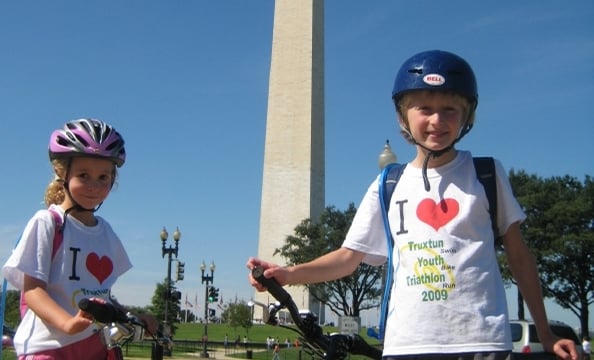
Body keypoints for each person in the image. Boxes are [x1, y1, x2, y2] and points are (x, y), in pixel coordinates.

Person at [247, 50, 579, 360]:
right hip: (408, 342)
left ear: (467, 116)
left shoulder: (487, 174)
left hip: (482, 341)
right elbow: (348, 259)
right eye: (424, 108)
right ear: (403, 116)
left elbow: (520, 257)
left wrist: (546, 332)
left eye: (450, 109)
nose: (437, 119)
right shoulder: (387, 184)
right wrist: (289, 274)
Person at [2, 118, 155, 359]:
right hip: (50, 345)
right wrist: (66, 323)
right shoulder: (48, 223)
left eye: (103, 177)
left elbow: (102, 293)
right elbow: (32, 292)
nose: (94, 186)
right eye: (84, 175)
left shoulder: (106, 232)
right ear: (62, 173)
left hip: (96, 345)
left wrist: (130, 317)